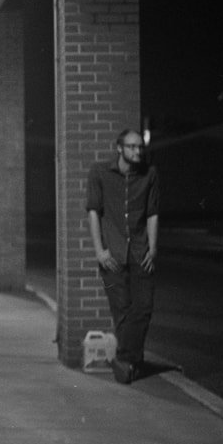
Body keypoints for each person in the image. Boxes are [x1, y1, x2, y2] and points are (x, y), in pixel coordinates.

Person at [86, 129, 160, 384]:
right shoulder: (99, 172)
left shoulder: (149, 174)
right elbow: (94, 212)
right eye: (131, 147)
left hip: (141, 252)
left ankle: (124, 359)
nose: (137, 152)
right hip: (111, 257)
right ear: (119, 148)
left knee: (145, 308)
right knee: (122, 311)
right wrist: (99, 250)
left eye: (140, 147)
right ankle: (131, 363)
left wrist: (153, 247)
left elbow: (152, 212)